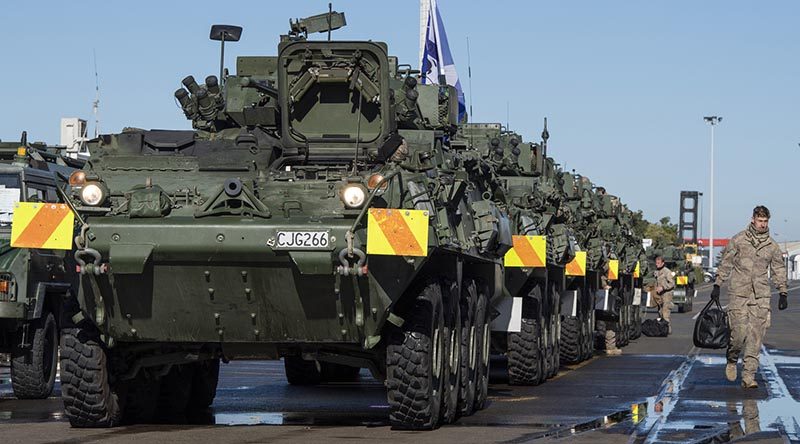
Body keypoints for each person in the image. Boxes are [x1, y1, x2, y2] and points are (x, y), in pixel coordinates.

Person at [711, 205, 788, 388]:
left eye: (765, 221)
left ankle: (748, 376)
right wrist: (717, 284)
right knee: (738, 334)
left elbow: (778, 268)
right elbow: (726, 262)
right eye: (760, 221)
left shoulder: (772, 246)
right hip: (739, 293)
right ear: (753, 219)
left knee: (755, 337)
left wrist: (783, 291)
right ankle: (732, 358)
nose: (762, 224)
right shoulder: (739, 240)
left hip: (760, 296)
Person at [653, 255, 675, 334]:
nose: (657, 264)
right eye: (656, 263)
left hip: (667, 294)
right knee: (660, 311)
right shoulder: (656, 272)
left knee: (666, 312)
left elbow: (672, 283)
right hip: (660, 295)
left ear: (663, 263)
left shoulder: (667, 272)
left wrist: (663, 287)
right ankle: (661, 328)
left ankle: (667, 329)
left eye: (659, 263)